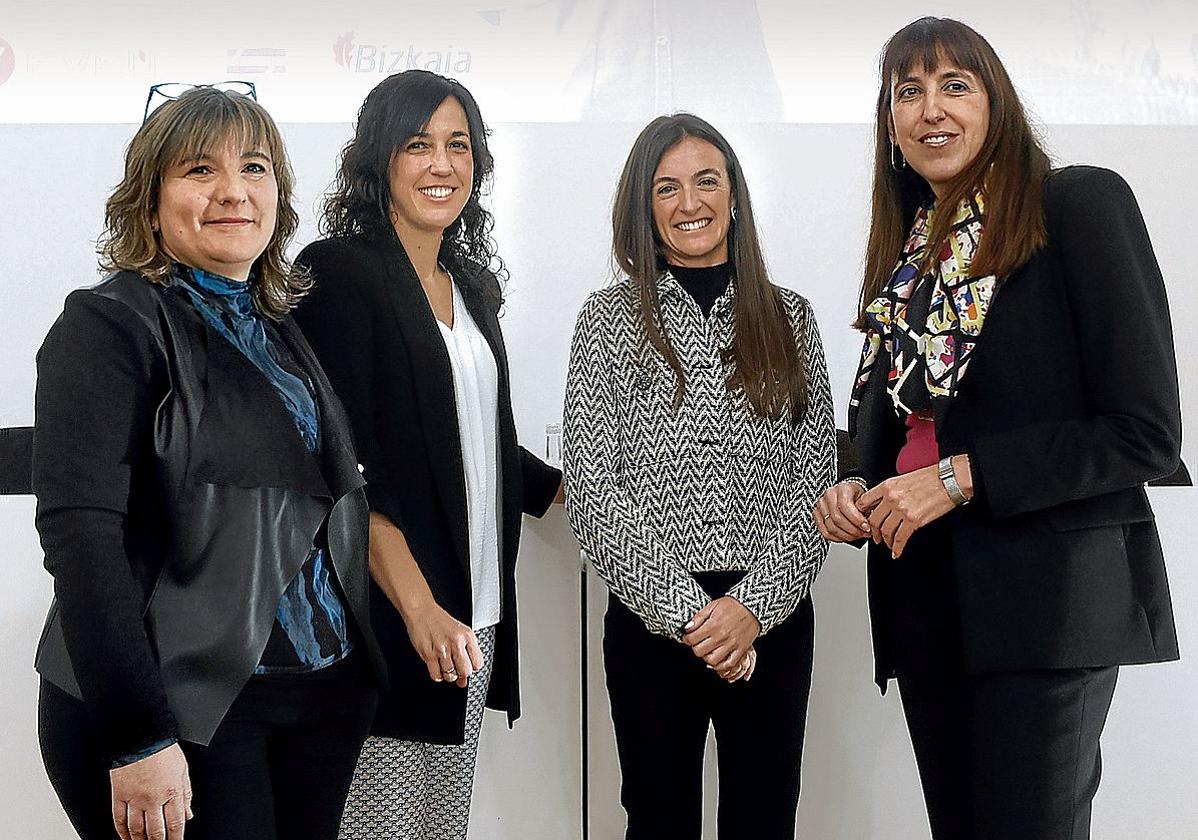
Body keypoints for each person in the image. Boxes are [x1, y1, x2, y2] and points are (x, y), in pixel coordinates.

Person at [813, 17, 1182, 840]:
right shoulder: (909, 253)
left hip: (1046, 604)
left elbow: (1145, 432)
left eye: (955, 85)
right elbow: (901, 431)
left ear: (996, 104)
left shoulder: (1076, 203)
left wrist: (959, 476)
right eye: (908, 91)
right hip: (925, 596)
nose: (930, 109)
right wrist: (852, 487)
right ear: (888, 122)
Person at [33, 85, 383, 840]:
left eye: (254, 168)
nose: (233, 191)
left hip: (317, 698)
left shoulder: (275, 324)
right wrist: (138, 736)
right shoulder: (106, 326)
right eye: (200, 170)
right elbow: (82, 540)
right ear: (149, 203)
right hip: (183, 709)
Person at [291, 70, 562, 840]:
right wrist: (418, 609)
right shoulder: (339, 271)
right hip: (396, 616)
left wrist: (587, 490)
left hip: (475, 612)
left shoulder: (470, 284)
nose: (442, 164)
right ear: (379, 159)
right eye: (419, 145)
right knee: (372, 827)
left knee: (438, 826)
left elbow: (467, 431)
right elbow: (348, 458)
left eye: (459, 146)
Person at [563, 113, 836, 839]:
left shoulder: (791, 319)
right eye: (668, 187)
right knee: (658, 821)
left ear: (735, 196)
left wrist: (750, 609)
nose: (690, 203)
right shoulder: (607, 320)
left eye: (706, 181)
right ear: (643, 208)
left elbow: (815, 481)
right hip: (653, 625)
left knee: (764, 819)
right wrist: (690, 616)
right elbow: (593, 487)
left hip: (769, 621)